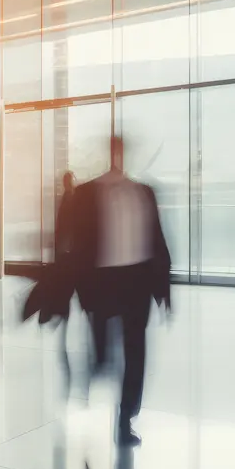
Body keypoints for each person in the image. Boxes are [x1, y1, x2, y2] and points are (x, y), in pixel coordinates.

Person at [65, 136, 171, 446]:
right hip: (102, 280)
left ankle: (125, 418)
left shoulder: (144, 193)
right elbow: (75, 243)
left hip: (137, 281)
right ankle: (97, 366)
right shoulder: (86, 194)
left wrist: (162, 287)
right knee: (103, 351)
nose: (119, 156)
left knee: (135, 352)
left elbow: (157, 239)